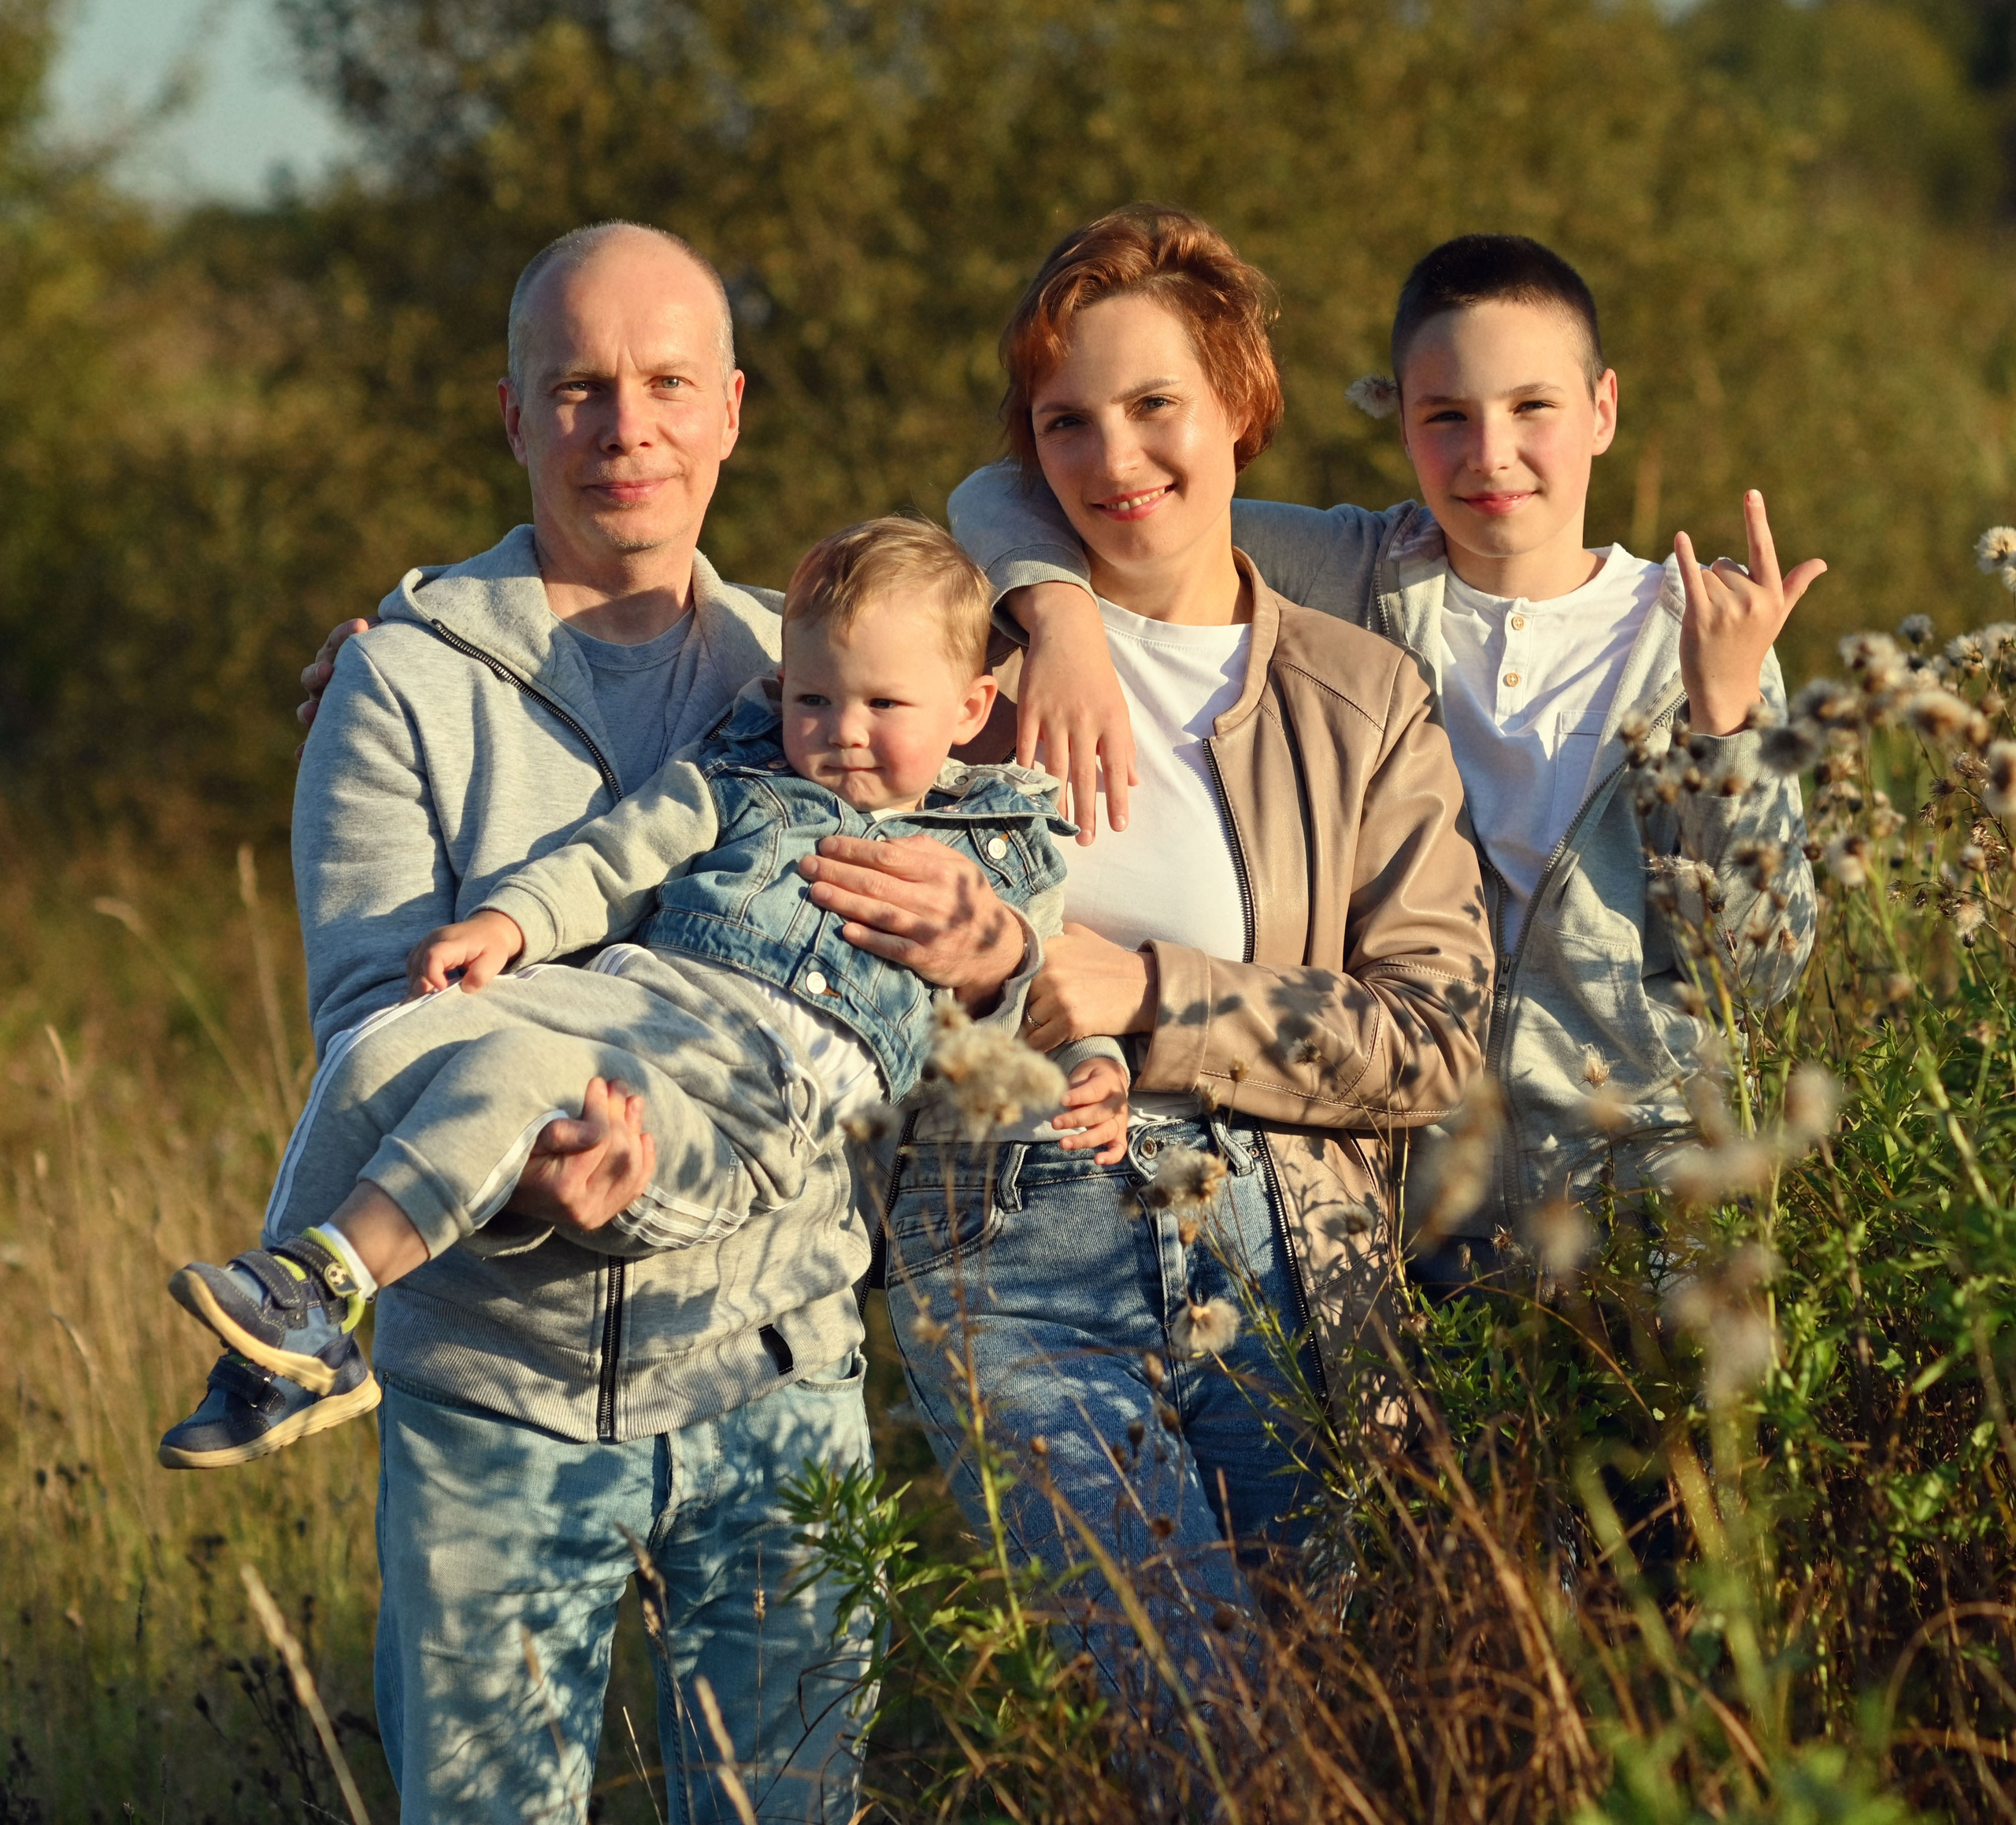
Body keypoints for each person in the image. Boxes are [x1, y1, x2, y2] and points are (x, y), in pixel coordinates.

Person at [271, 224, 1032, 1824]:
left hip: (772, 1369)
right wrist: (540, 1173)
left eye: (668, 383)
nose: (628, 428)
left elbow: (971, 943)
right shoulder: (407, 680)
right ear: (513, 412)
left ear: (732, 409)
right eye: (581, 388)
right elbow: (370, 1025)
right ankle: (288, 1323)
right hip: (496, 1386)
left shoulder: (820, 656)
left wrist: (1001, 959)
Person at [950, 231, 1821, 1285]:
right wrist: (1061, 617)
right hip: (1406, 1215)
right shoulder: (1360, 569)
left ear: (1602, 410)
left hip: (1640, 1211)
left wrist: (1726, 724)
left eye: (1531, 408)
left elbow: (1757, 973)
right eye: (1446, 416)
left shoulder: (1695, 636)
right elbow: (1019, 492)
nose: (1488, 452)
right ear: (1401, 423)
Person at [160, 516, 1125, 1464]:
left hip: (750, 1097)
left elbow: (1048, 981)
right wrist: (511, 925)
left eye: (884, 706)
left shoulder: (1000, 842)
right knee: (400, 1036)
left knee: (516, 1067)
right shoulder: (742, 768)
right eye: (814, 699)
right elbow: (610, 859)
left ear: (967, 707)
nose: (842, 733)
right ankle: (296, 1317)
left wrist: (1092, 1061)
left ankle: (319, 1288)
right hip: (630, 1005)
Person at [880, 206, 1493, 1694]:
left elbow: (1433, 1036)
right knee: (1188, 1717)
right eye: (1066, 425)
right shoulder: (963, 674)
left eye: (1157, 406)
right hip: (1016, 1225)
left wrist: (1156, 992)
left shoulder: (1361, 695)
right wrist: (409, 642)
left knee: (1336, 1716)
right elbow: (759, 748)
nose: (1115, 460)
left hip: (1286, 1254)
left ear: (1240, 405)